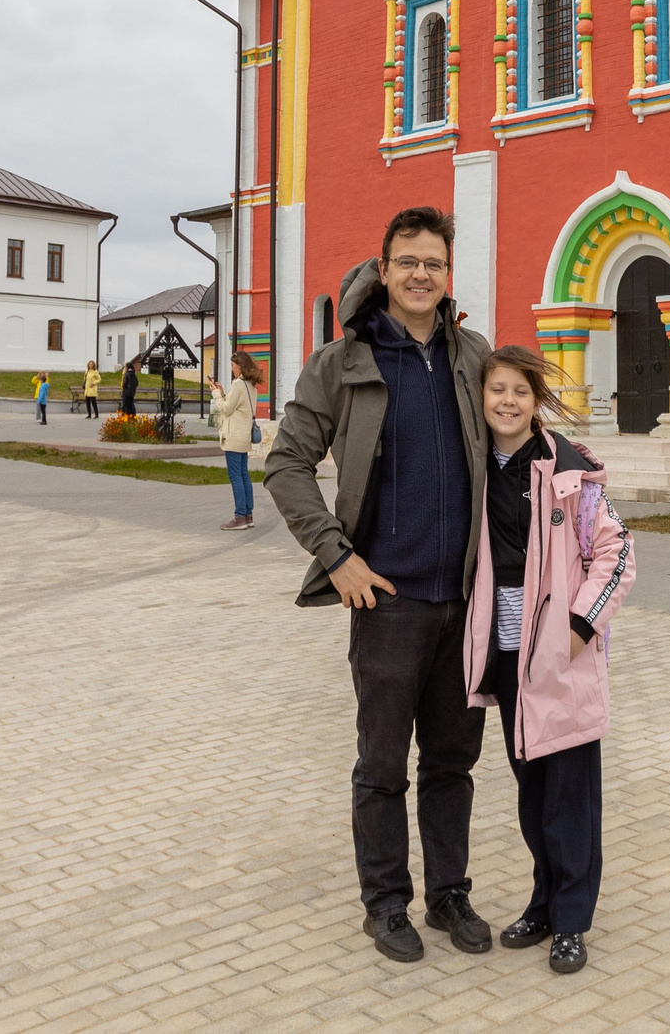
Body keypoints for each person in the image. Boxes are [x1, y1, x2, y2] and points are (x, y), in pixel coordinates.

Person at [266, 205, 492, 965]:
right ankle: (385, 901)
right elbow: (287, 461)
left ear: (447, 273)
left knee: (453, 762)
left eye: (433, 262)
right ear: (385, 267)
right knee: (384, 763)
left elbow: (516, 447)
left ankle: (449, 893)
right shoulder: (345, 360)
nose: (421, 274)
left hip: (463, 601)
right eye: (408, 261)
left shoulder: (472, 355)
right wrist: (336, 556)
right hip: (387, 601)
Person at [464, 348, 633, 976]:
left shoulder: (567, 473)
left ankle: (571, 921)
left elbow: (616, 552)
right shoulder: (475, 466)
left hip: (561, 656)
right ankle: (542, 901)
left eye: (519, 392)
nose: (507, 402)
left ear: (537, 402)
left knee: (571, 796)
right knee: (532, 793)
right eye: (496, 390)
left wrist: (579, 627)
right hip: (507, 657)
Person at [214, 352, 262, 531]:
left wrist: (215, 394)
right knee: (244, 475)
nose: (232, 369)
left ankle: (240, 516)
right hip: (244, 437)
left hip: (233, 436)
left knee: (236, 477)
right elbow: (237, 406)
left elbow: (226, 410)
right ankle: (248, 515)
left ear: (240, 366)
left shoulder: (238, 384)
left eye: (233, 366)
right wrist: (223, 393)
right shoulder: (251, 385)